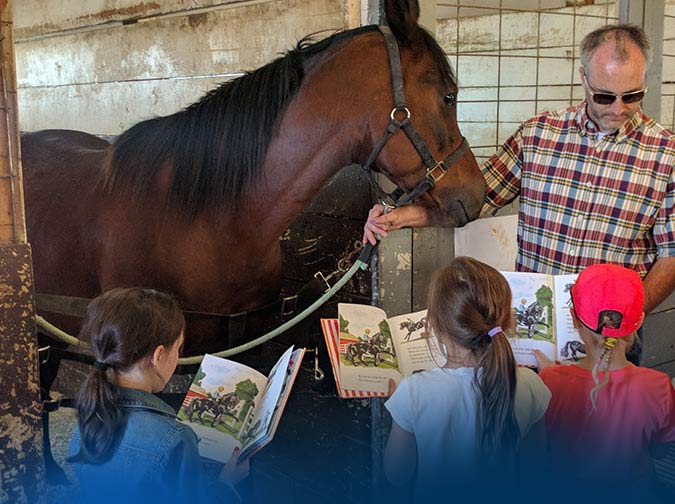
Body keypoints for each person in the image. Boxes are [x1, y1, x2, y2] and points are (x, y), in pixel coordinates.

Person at [363, 24, 675, 363]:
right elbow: (476, 200)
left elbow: (670, 255)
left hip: (609, 334)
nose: (618, 109)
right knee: (528, 409)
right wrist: (402, 216)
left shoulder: (667, 154)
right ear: (584, 78)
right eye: (604, 96)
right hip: (534, 326)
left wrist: (625, 314)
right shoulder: (538, 134)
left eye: (632, 96)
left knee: (602, 416)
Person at [383, 257, 551, 501]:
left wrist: (398, 408)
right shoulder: (530, 384)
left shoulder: (413, 391)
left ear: (434, 327)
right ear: (505, 321)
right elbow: (535, 467)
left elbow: (396, 473)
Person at [67, 288, 249, 504]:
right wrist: (226, 483)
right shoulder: (176, 438)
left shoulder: (88, 417)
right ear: (158, 355)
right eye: (178, 348)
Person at [534, 264, 675, 499]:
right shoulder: (659, 386)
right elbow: (660, 452)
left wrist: (550, 377)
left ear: (574, 320)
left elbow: (540, 452)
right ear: (638, 321)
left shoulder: (550, 382)